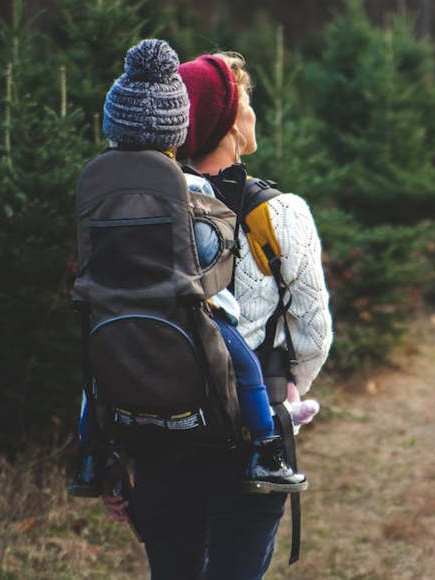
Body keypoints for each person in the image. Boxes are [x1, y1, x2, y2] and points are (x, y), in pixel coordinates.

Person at [104, 45, 332, 579]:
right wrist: (289, 393)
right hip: (248, 442)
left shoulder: (142, 211)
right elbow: (314, 333)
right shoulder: (280, 213)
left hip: (160, 430)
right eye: (247, 101)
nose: (254, 112)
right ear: (230, 122)